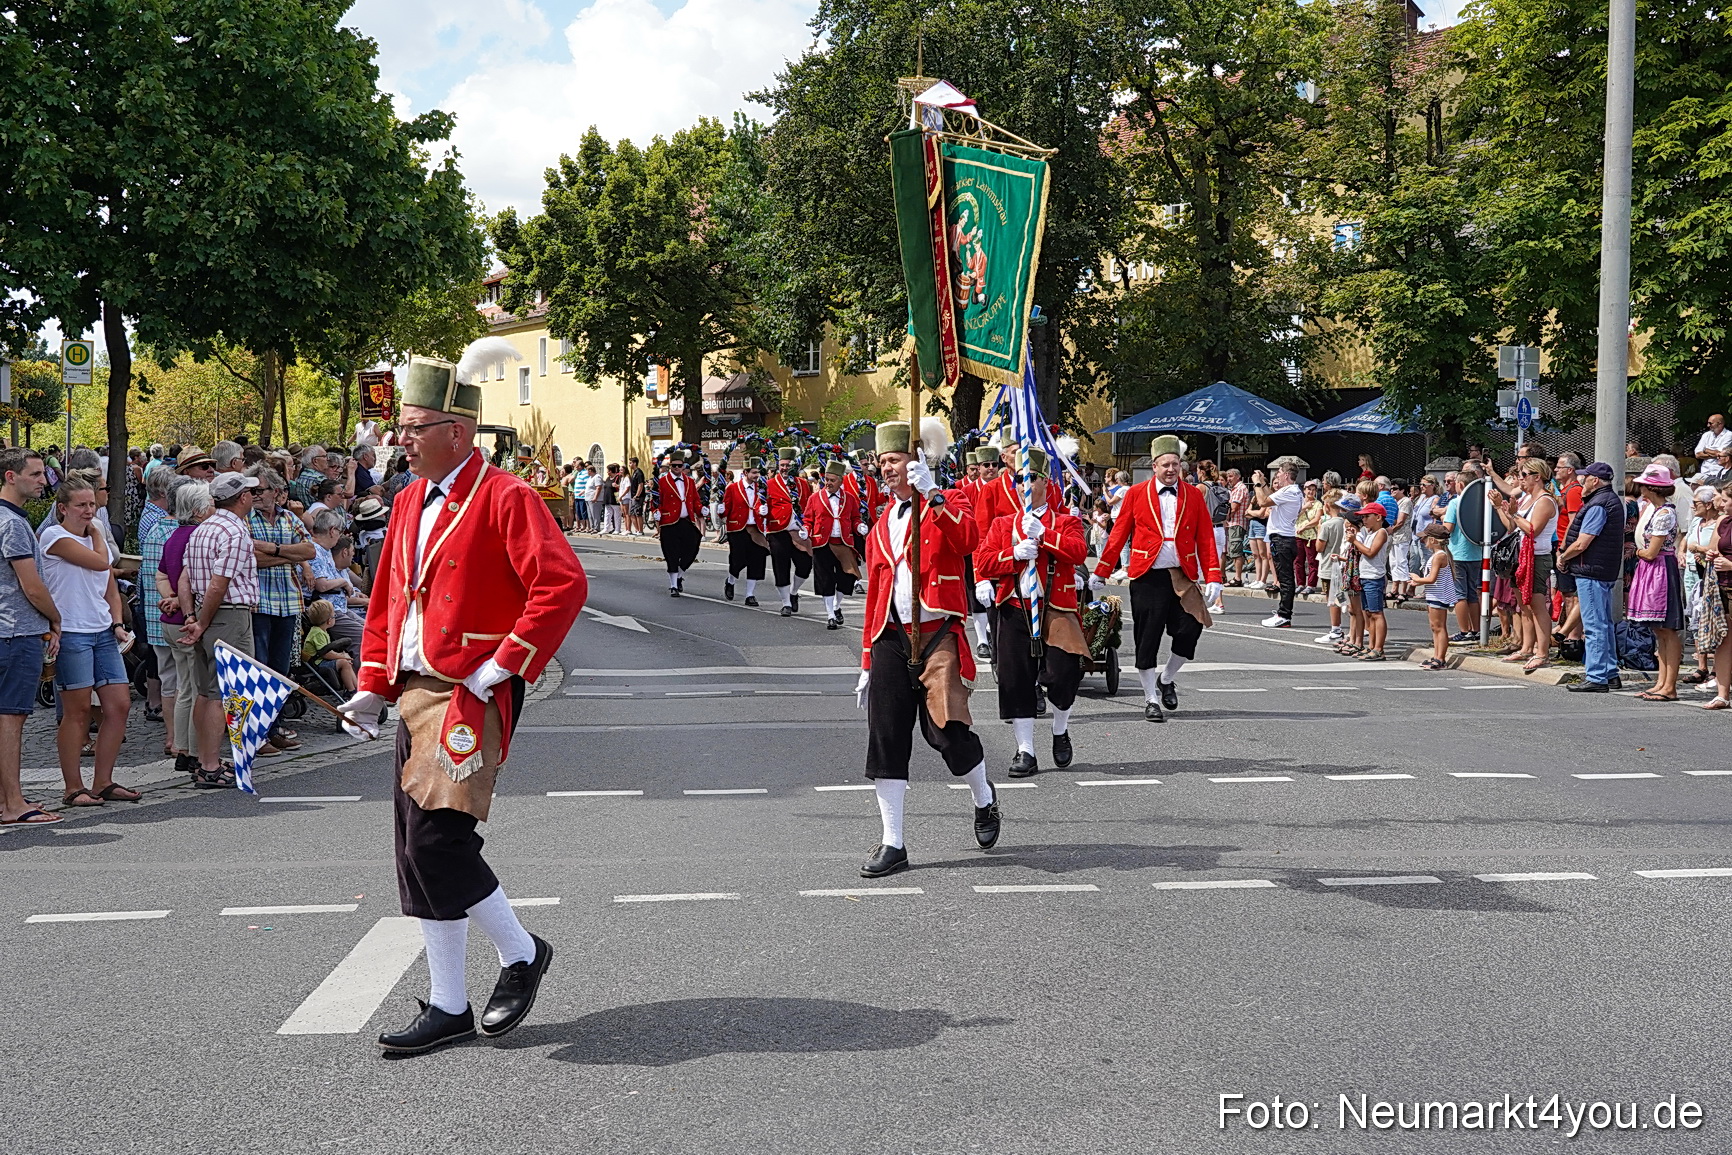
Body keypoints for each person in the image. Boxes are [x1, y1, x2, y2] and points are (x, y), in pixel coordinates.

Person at [337, 338, 586, 1056]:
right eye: (401, 429)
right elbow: (389, 601)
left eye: (415, 428)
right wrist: (372, 687)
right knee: (414, 853)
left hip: (471, 692)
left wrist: (504, 663)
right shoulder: (407, 500)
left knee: (438, 843)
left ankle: (521, 952)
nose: (402, 441)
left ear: (458, 430)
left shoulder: (507, 496)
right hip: (417, 690)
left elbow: (562, 584)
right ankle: (449, 1003)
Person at [854, 418, 997, 879]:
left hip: (938, 634)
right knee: (886, 738)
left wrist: (933, 493)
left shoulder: (948, 499)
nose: (886, 469)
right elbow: (876, 597)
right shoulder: (881, 524)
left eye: (894, 460)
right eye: (882, 462)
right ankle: (893, 842)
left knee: (947, 733)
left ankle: (984, 797)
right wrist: (866, 661)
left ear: (915, 461)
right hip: (890, 637)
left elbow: (968, 539)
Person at [1091, 435, 1222, 722]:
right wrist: (1102, 570)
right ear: (1154, 466)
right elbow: (1119, 534)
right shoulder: (1136, 493)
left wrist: (1214, 576)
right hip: (1147, 576)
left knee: (1191, 628)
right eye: (1166, 464)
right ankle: (1150, 698)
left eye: (1175, 464)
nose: (1171, 469)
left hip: (1182, 575)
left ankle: (1167, 678)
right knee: (1147, 637)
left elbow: (1205, 538)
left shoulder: (1193, 495)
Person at [974, 447, 1087, 777]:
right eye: (1020, 479)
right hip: (1015, 607)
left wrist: (1045, 535)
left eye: (1032, 478)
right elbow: (984, 561)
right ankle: (1025, 750)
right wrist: (1013, 553)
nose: (1025, 484)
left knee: (1064, 674)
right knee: (1015, 680)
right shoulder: (1003, 524)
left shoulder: (1065, 522)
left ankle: (1060, 728)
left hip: (1055, 608)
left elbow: (1078, 552)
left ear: (1046, 483)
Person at [39, 476, 137, 806]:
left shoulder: (95, 542)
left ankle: (103, 781)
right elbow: (101, 563)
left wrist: (117, 623)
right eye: (81, 505)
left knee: (119, 705)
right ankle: (73, 787)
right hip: (72, 632)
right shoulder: (54, 536)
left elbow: (109, 586)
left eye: (92, 504)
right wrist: (97, 533)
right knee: (77, 710)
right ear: (62, 508)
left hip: (102, 631)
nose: (89, 511)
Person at [179, 471, 262, 782]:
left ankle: (204, 760)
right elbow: (219, 583)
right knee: (223, 693)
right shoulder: (235, 531)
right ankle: (210, 765)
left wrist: (191, 616)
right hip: (228, 615)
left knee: (205, 691)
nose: (253, 497)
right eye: (250, 493)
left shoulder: (202, 529)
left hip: (207, 611)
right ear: (242, 497)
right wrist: (201, 622)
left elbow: (185, 578)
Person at [0, 450, 63, 825]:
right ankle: (13, 803)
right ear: (11, 476)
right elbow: (32, 586)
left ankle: (6, 799)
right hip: (16, 630)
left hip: (8, 630)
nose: (44, 480)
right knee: (11, 717)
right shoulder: (12, 524)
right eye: (36, 474)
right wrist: (55, 618)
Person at [247, 466, 316, 753]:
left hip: (288, 603)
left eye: (259, 490)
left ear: (275, 492)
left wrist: (273, 549)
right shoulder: (246, 519)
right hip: (259, 603)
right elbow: (252, 559)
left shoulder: (289, 518)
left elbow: (310, 551)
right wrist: (290, 556)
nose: (254, 496)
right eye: (251, 491)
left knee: (280, 670)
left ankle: (274, 728)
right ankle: (257, 734)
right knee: (259, 668)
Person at [1560, 462, 1628, 693]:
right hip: (1602, 570)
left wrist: (1564, 557)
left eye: (1585, 477)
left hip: (1591, 570)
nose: (1582, 481)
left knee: (1594, 625)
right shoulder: (1609, 501)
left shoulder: (1598, 504)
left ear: (1595, 480)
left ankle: (1597, 676)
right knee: (1604, 623)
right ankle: (1609, 673)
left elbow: (1582, 542)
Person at [1489, 458, 1558, 673]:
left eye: (1524, 475)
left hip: (1537, 557)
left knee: (1537, 605)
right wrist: (1500, 508)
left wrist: (1514, 513)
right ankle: (1527, 648)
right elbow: (1512, 526)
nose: (1520, 479)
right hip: (1521, 557)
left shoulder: (1545, 501)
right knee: (1524, 606)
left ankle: (1542, 653)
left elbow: (1532, 529)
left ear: (1537, 477)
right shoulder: (1527, 498)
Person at [1627, 464, 1685, 702]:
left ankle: (1669, 685)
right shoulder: (1653, 510)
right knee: (1659, 629)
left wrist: (1637, 552)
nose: (1640, 488)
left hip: (1661, 569)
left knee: (1667, 629)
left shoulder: (1664, 513)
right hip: (1653, 570)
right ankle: (1661, 682)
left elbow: (1651, 552)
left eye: (1643, 484)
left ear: (1651, 488)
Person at [139, 473, 187, 754]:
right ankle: (181, 739)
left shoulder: (155, 529)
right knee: (184, 682)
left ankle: (172, 738)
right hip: (177, 616)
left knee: (169, 680)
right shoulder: (178, 533)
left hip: (157, 619)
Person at [804, 460, 863, 629]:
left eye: (832, 480)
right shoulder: (815, 498)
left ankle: (837, 606)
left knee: (847, 578)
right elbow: (808, 519)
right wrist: (806, 530)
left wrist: (859, 526)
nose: (828, 483)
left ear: (840, 481)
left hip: (844, 543)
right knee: (826, 580)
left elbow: (855, 517)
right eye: (826, 479)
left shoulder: (849, 498)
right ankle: (830, 614)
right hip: (822, 543)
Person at [306, 510, 368, 653]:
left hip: (340, 608)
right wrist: (343, 582)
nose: (339, 536)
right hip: (326, 612)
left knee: (371, 630)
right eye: (340, 532)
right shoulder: (314, 551)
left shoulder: (326, 550)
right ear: (332, 531)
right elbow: (322, 586)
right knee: (363, 636)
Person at [764, 448, 814, 617]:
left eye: (788, 465)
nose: (785, 468)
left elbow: (808, 506)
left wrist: (809, 526)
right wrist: (762, 514)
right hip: (777, 530)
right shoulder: (770, 484)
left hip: (798, 530)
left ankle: (794, 592)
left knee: (805, 564)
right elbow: (761, 505)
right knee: (781, 566)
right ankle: (786, 603)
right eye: (782, 465)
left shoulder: (802, 484)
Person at [1255, 463, 1302, 628]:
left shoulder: (1289, 491)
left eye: (1279, 472)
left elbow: (1262, 502)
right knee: (1285, 578)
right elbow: (1271, 499)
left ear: (1287, 475)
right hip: (1285, 538)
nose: (1277, 475)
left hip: (1282, 539)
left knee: (1285, 579)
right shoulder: (1291, 491)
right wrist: (1264, 482)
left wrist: (1257, 483)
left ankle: (1284, 615)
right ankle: (1283, 613)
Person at [1441, 463, 1484, 641]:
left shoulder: (1455, 503)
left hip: (1457, 552)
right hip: (1476, 553)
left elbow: (1448, 528)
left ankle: (1464, 630)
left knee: (1459, 594)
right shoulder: (1481, 503)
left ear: (1460, 485)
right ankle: (1476, 630)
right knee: (1472, 592)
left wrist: (1442, 519)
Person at [1344, 497, 1390, 660]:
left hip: (1374, 577)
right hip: (1365, 576)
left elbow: (1370, 552)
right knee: (1368, 613)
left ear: (1378, 517)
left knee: (1376, 613)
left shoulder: (1381, 532)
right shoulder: (1369, 533)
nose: (1364, 520)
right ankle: (1371, 645)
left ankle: (1379, 648)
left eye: (1367, 516)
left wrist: (1354, 541)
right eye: (1362, 517)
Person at [1683, 485, 1720, 685]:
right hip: (1691, 572)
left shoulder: (1718, 524)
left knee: (1711, 619)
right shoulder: (1697, 521)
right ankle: (1701, 666)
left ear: (1708, 504)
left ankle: (1716, 668)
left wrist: (1699, 549)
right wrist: (1682, 552)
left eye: (1696, 503)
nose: (1692, 506)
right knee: (1695, 617)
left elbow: (1717, 548)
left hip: (1709, 574)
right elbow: (1686, 539)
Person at [1409, 523, 1457, 669]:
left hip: (1439, 595)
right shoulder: (1437, 555)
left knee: (1439, 627)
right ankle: (1436, 656)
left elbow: (1431, 578)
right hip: (1434, 594)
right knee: (1435, 627)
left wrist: (1417, 579)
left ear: (1433, 540)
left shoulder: (1439, 556)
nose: (1423, 541)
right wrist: (1418, 581)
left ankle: (1440, 658)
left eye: (1425, 538)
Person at [655, 451, 703, 596]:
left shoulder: (689, 481)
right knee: (672, 553)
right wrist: (656, 511)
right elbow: (657, 500)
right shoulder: (662, 481)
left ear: (683, 466)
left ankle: (680, 574)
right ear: (670, 466)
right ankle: (673, 585)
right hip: (669, 521)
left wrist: (701, 510)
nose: (677, 468)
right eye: (674, 465)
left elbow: (695, 500)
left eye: (679, 465)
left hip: (686, 520)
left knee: (693, 546)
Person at [722, 458, 770, 605]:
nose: (757, 475)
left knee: (756, 560)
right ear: (745, 473)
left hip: (756, 529)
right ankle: (731, 581)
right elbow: (726, 508)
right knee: (737, 559)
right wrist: (721, 511)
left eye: (758, 472)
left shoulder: (762, 488)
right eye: (754, 472)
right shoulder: (732, 488)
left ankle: (750, 595)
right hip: (738, 528)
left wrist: (765, 511)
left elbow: (766, 505)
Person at [1314, 489, 1349, 646]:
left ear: (1327, 506)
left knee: (1333, 598)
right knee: (1344, 597)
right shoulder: (1346, 522)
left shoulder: (1327, 525)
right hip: (1344, 565)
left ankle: (1336, 629)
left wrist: (1319, 529)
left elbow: (1319, 547)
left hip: (1330, 566)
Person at [301, 599, 356, 693]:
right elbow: (326, 654)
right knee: (344, 663)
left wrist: (342, 655)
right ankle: (351, 690)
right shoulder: (317, 634)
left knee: (347, 661)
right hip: (317, 663)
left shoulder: (322, 631)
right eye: (334, 616)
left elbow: (328, 650)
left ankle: (357, 687)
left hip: (321, 660)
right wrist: (342, 657)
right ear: (329, 621)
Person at [1296, 479, 1323, 596]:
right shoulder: (1299, 502)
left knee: (1312, 561)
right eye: (1308, 489)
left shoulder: (1318, 504)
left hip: (1311, 536)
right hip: (1298, 535)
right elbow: (1293, 516)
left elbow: (1317, 520)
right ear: (1304, 490)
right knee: (1298, 561)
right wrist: (1304, 508)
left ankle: (1311, 584)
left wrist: (1304, 527)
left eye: (1313, 490)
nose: (1311, 492)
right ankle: (1300, 583)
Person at [1223, 468, 1249, 586]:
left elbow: (1234, 507)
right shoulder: (1234, 489)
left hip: (1237, 523)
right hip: (1233, 523)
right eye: (1228, 477)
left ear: (1238, 476)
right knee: (1233, 551)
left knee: (1236, 551)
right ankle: (1236, 577)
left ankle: (1238, 578)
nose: (1228, 479)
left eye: (1231, 476)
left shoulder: (1240, 488)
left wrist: (1225, 518)